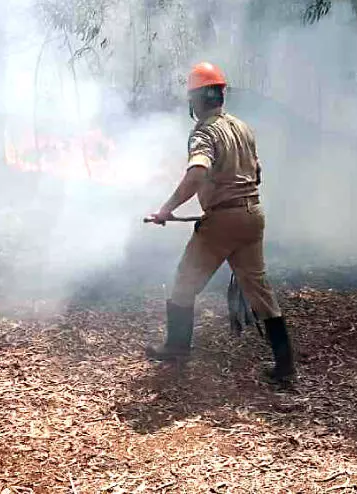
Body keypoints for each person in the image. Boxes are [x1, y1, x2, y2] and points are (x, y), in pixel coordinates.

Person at [145, 62, 296, 385]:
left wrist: (166, 209)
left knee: (184, 283)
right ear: (220, 96)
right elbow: (256, 173)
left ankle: (176, 348)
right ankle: (285, 366)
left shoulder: (204, 132)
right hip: (253, 215)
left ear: (197, 99)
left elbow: (197, 172)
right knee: (260, 292)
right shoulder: (242, 128)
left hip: (223, 221)